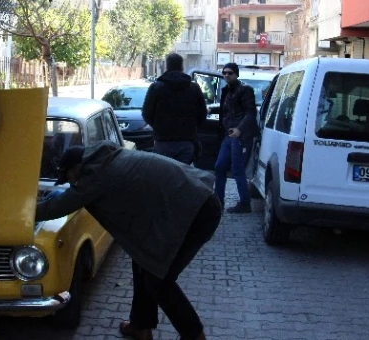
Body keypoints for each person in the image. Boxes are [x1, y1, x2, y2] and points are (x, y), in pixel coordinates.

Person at [36, 141, 221, 340]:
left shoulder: (95, 176)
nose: (70, 183)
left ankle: (194, 335)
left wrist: (19, 212)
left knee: (158, 281)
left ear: (76, 168)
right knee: (142, 261)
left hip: (197, 211)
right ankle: (141, 326)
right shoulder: (107, 158)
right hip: (194, 201)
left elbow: (55, 207)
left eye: (68, 177)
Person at [142, 53, 207, 164]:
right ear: (182, 67)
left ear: (167, 66)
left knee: (164, 177)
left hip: (163, 141)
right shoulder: (193, 88)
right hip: (187, 141)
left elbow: (146, 114)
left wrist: (159, 126)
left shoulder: (156, 87)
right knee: (182, 176)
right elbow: (202, 114)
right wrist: (192, 128)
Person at [214, 62, 258, 214]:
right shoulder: (226, 90)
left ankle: (245, 203)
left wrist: (239, 129)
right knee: (219, 167)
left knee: (237, 170)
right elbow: (224, 111)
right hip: (228, 135)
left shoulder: (245, 90)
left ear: (236, 74)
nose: (226, 75)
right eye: (224, 73)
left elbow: (251, 113)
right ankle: (218, 201)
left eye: (230, 73)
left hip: (240, 136)